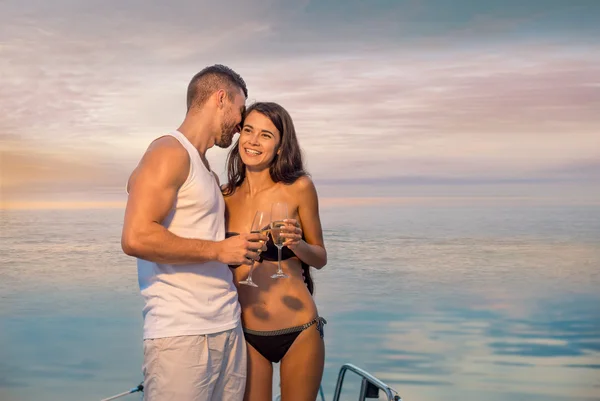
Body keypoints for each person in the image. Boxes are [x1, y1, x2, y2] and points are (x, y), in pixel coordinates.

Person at [121, 64, 267, 401]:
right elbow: (136, 237)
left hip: (226, 326)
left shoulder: (204, 168)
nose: (241, 122)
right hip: (183, 335)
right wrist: (219, 250)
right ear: (220, 99)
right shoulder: (169, 152)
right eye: (239, 109)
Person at [222, 102, 328, 401]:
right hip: (247, 334)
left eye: (266, 135)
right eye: (248, 130)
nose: (253, 140)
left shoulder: (299, 188)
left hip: (299, 330)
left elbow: (320, 257)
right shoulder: (223, 196)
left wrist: (298, 245)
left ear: (281, 146)